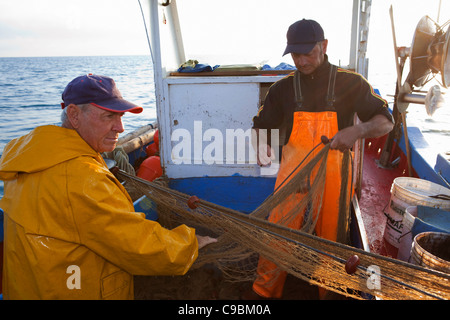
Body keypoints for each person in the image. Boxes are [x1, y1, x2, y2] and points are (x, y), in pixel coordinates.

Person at [0, 74, 216, 300]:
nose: (120, 127)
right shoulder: (82, 178)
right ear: (74, 114)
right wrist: (190, 243)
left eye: (120, 116)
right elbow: (137, 246)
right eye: (109, 116)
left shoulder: (29, 158)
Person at [248, 19, 394, 299]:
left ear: (324, 46)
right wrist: (260, 144)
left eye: (308, 53)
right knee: (277, 234)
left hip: (334, 175)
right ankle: (263, 293)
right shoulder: (281, 89)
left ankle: (329, 293)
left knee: (332, 240)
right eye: (295, 54)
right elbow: (259, 126)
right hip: (293, 175)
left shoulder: (352, 83)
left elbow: (385, 122)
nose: (301, 61)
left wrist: (358, 130)